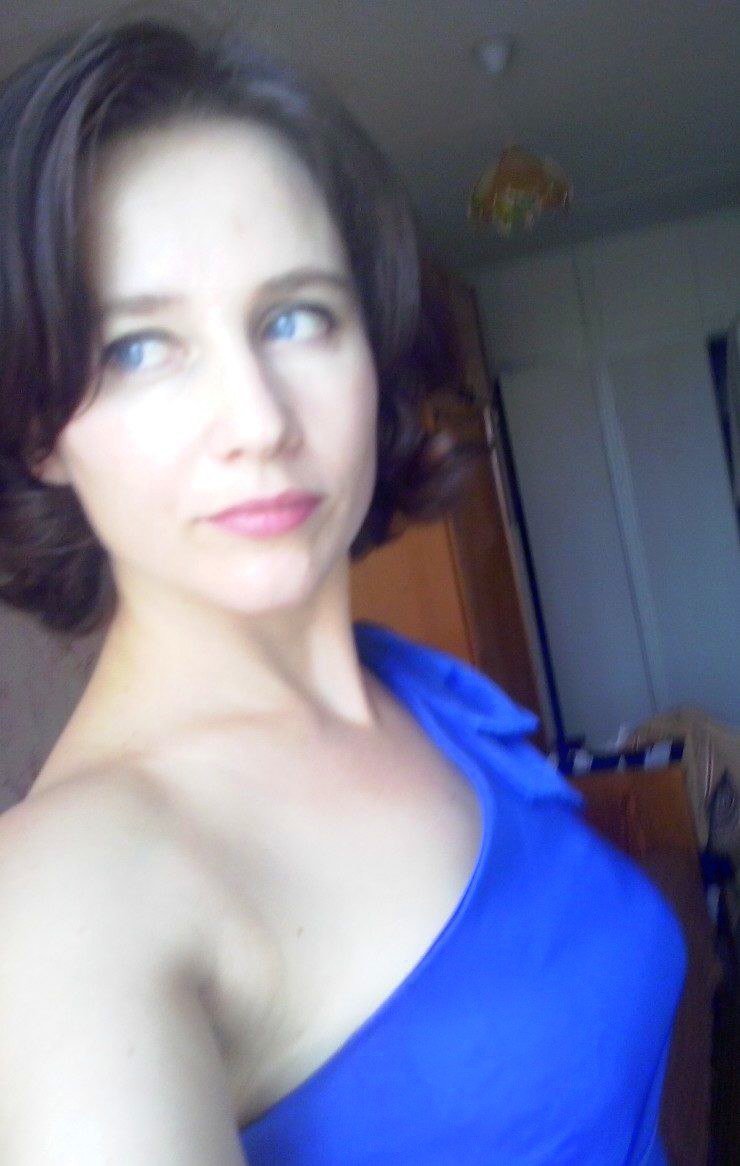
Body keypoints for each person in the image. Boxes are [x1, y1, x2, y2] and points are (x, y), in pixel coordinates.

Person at [0, 16, 686, 1166]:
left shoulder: (416, 692)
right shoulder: (65, 894)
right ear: (39, 431)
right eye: (137, 347)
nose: (258, 420)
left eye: (294, 317)